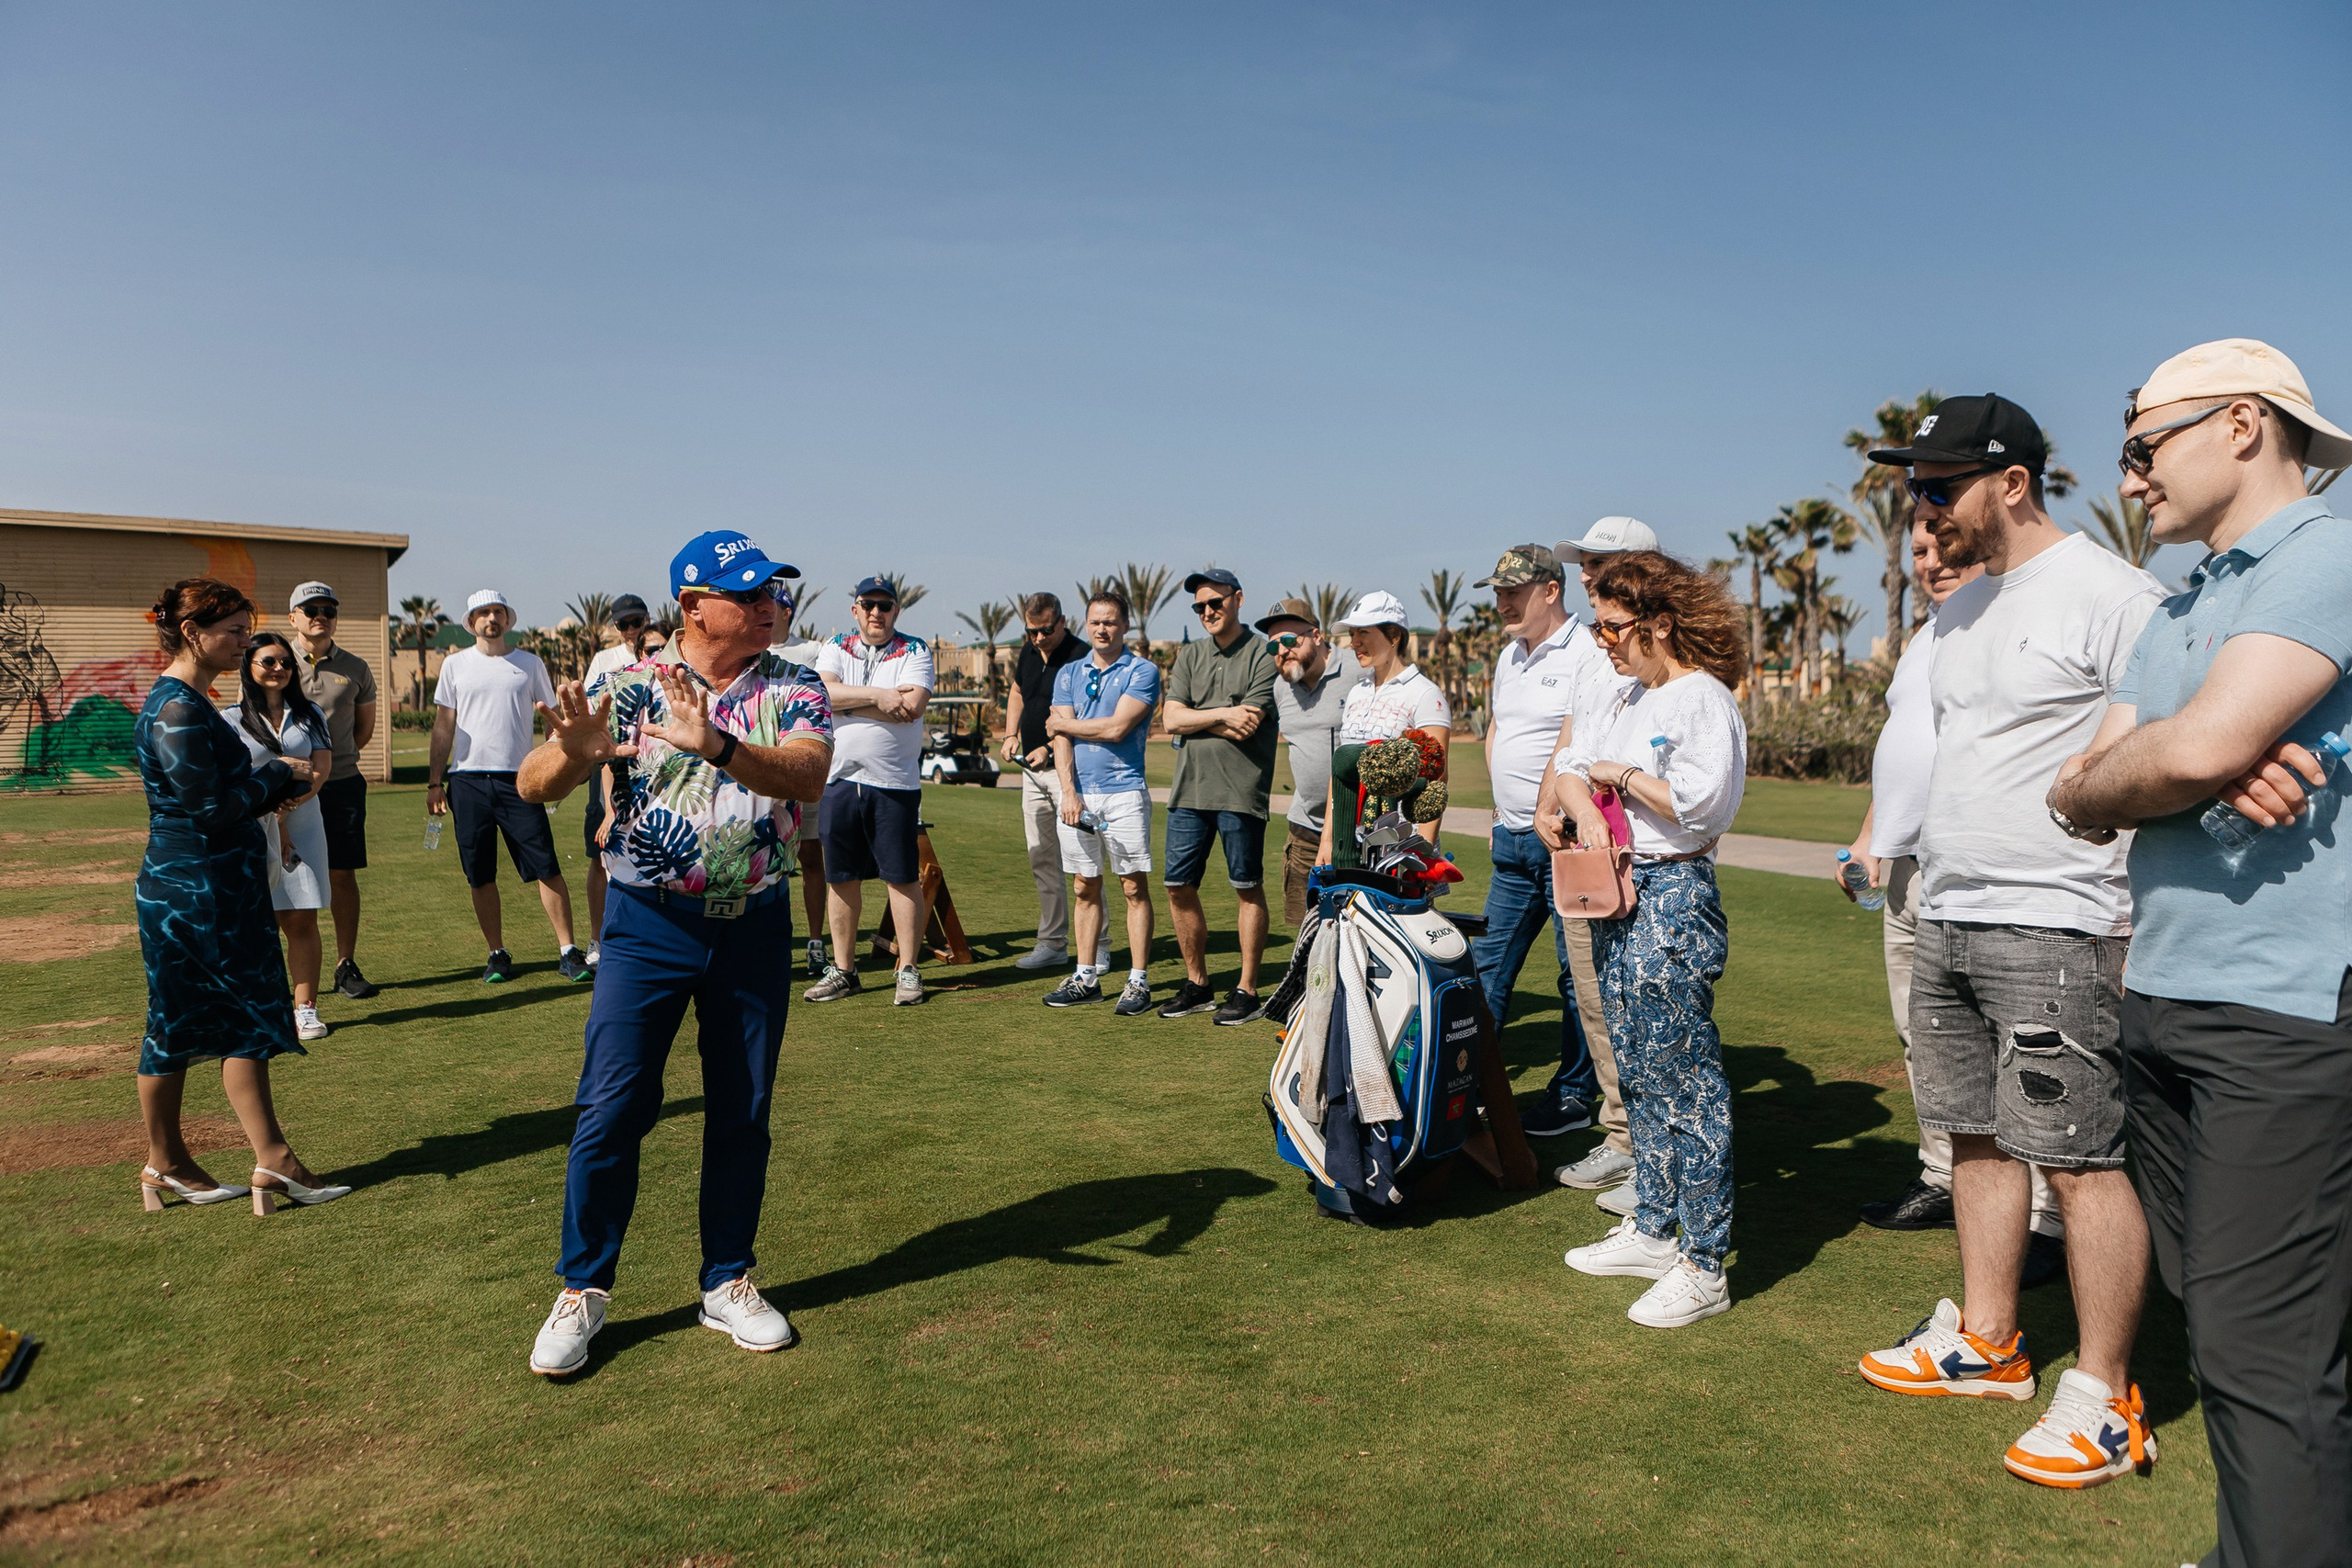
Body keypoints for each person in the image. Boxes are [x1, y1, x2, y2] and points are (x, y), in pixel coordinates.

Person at [2049, 339, 2352, 1534]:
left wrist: (2171, 757)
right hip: (2163, 995)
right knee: (2237, 1337)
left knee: (2262, 1354)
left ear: (2241, 423)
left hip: (2282, 1013)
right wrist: (2165, 764)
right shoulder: (2182, 602)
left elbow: (2181, 751)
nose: (2127, 478)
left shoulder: (2327, 553)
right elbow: (2074, 795)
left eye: (2141, 445)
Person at [1851, 393, 2165, 1490]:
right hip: (1947, 907)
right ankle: (1989, 1343)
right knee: (1972, 1138)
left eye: (1939, 488)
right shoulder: (1957, 613)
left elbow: (2170, 745)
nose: (1921, 510)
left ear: (2011, 483)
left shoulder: (2115, 596)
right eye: (1915, 491)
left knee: (2078, 1161)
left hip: (2061, 920)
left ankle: (2109, 1391)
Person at [516, 531, 832, 1376]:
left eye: (775, 592)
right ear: (693, 606)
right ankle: (584, 1287)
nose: (771, 604)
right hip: (647, 923)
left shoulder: (794, 683)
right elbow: (533, 783)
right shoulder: (623, 685)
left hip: (753, 925)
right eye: (750, 593)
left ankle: (726, 1279)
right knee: (612, 1105)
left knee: (743, 1108)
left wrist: (719, 745)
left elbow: (808, 777)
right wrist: (572, 754)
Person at [1843, 519, 2069, 1275]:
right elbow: (1902, 744)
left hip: (1980, 868)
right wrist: (1871, 838)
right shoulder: (1924, 634)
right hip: (1908, 866)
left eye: (1943, 547)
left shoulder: (2011, 623)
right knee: (1924, 1036)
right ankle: (1942, 1174)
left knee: (2017, 1049)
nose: (1930, 562)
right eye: (1917, 551)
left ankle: (2043, 1214)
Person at [1552, 551, 1748, 1329]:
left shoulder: (1702, 698)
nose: (1602, 640)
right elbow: (1571, 765)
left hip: (1672, 893)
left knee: (1685, 1079)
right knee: (1635, 1064)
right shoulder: (1632, 693)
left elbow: (1701, 806)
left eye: (1613, 626)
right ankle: (1655, 1224)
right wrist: (1591, 801)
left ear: (1660, 622)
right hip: (1619, 888)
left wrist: (1621, 777)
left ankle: (1705, 1261)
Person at [134, 579, 351, 1216]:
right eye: (232, 630)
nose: (241, 641)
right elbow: (208, 808)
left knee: (196, 1025)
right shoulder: (177, 707)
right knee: (225, 1018)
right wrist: (275, 776)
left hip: (200, 885)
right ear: (193, 632)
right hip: (200, 891)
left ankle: (183, 1161)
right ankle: (253, 1161)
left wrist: (265, 785)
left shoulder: (189, 700)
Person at [1465, 545, 1627, 1149]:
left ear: (1551, 591)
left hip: (1563, 838)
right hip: (1511, 838)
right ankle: (1466, 1082)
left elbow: (1574, 739)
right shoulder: (1510, 654)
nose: (1502, 602)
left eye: (1514, 590)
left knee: (1575, 974)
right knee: (1486, 967)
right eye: (1498, 592)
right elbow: (1497, 731)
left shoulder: (1585, 649)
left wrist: (1549, 806)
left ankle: (1573, 1095)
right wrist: (1500, 807)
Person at [1542, 518, 1663, 1194]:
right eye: (1584, 564)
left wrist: (1597, 793)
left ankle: (1649, 1152)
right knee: (1595, 999)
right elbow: (1574, 741)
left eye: (1600, 562)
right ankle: (1622, 1135)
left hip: (1640, 852)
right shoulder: (1594, 647)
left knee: (1640, 1006)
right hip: (1585, 843)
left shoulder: (1654, 646)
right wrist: (1553, 803)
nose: (1586, 573)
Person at [428, 590, 590, 984]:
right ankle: (496, 953)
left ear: (507, 619)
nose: (491, 619)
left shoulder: (529, 664)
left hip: (520, 780)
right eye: (483, 613)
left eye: (497, 612)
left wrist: (560, 766)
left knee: (546, 865)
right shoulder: (454, 665)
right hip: (466, 780)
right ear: (471, 622)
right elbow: (443, 726)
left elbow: (552, 724)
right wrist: (435, 782)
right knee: (479, 873)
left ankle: (569, 951)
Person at [806, 577, 935, 1007]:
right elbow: (822, 694)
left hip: (894, 784)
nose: (876, 612)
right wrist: (880, 697)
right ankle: (845, 971)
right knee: (841, 877)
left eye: (885, 605)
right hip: (839, 779)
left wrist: (849, 700)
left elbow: (912, 706)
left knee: (900, 877)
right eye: (868, 605)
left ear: (896, 610)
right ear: (855, 609)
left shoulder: (915, 649)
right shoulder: (835, 645)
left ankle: (909, 971)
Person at [1159, 568, 1280, 1024]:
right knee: (1176, 885)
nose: (1208, 611)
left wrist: (1198, 716)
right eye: (1200, 606)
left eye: (1216, 602)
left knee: (1246, 887)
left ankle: (1247, 988)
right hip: (1189, 790)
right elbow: (1170, 719)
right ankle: (1198, 984)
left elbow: (1249, 721)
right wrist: (1222, 714)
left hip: (1240, 792)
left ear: (1238, 600)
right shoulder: (1190, 656)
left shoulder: (1263, 654)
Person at [1040, 592, 1162, 1013]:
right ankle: (1086, 976)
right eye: (1095, 622)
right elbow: (1059, 738)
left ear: (1124, 625)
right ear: (1086, 625)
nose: (1102, 629)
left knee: (1132, 886)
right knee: (1083, 887)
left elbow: (1116, 729)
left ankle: (1138, 981)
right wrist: (1068, 791)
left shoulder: (1142, 671)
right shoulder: (1068, 672)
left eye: (1110, 621)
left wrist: (1066, 724)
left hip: (1124, 791)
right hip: (1077, 794)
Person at [227, 634, 335, 1042]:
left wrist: (288, 807)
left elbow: (319, 770)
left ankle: (305, 1009)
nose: (278, 669)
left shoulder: (310, 715)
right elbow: (234, 779)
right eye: (267, 661)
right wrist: (271, 808)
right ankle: (263, 1007)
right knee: (260, 922)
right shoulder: (229, 719)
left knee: (302, 917)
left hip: (304, 824)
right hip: (252, 827)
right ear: (249, 667)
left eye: (285, 662)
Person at [288, 581, 379, 1001]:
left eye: (327, 609)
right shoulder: (271, 660)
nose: (319, 615)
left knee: (342, 874)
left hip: (342, 783)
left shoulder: (356, 667)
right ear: (293, 617)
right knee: (284, 873)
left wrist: (328, 764)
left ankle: (345, 964)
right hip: (285, 786)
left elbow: (362, 731)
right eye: (310, 609)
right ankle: (287, 973)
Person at [1255, 596, 1363, 930]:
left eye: (1289, 640)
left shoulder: (1359, 671)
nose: (1282, 651)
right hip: (1304, 831)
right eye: (1273, 646)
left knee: (1359, 931)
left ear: (1317, 636)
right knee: (1305, 932)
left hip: (1357, 830)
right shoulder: (1280, 687)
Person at [1320, 591, 1451, 852]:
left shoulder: (1425, 694)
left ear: (1394, 636)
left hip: (1402, 845)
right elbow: (1339, 776)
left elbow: (1436, 779)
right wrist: (1327, 841)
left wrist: (1422, 850)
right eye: (1352, 634)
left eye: (1364, 633)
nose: (1354, 642)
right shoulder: (1357, 692)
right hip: (1350, 841)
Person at [1005, 592, 1090, 970]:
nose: (1038, 638)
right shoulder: (1027, 652)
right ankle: (1053, 944)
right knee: (1041, 856)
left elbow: (1085, 717)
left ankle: (1099, 946)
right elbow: (1018, 691)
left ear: (1062, 622)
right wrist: (1011, 735)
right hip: (1031, 772)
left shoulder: (1081, 655)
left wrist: (1051, 751)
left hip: (1069, 772)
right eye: (1031, 631)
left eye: (1045, 630)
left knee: (1085, 862)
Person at [580, 593, 655, 964]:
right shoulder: (604, 662)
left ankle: (637, 939)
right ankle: (597, 940)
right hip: (611, 767)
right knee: (600, 852)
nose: (630, 630)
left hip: (652, 770)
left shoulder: (660, 657)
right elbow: (592, 715)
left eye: (636, 622)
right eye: (623, 624)